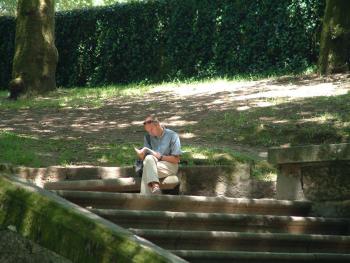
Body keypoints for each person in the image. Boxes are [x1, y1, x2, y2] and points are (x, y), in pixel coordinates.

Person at [134, 115, 182, 194]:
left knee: (147, 169)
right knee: (148, 159)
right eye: (148, 131)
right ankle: (155, 186)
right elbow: (146, 159)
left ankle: (144, 202)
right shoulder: (148, 137)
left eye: (151, 130)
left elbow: (176, 160)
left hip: (169, 166)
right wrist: (142, 156)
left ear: (157, 125)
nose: (150, 133)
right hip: (152, 165)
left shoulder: (173, 136)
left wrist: (161, 157)